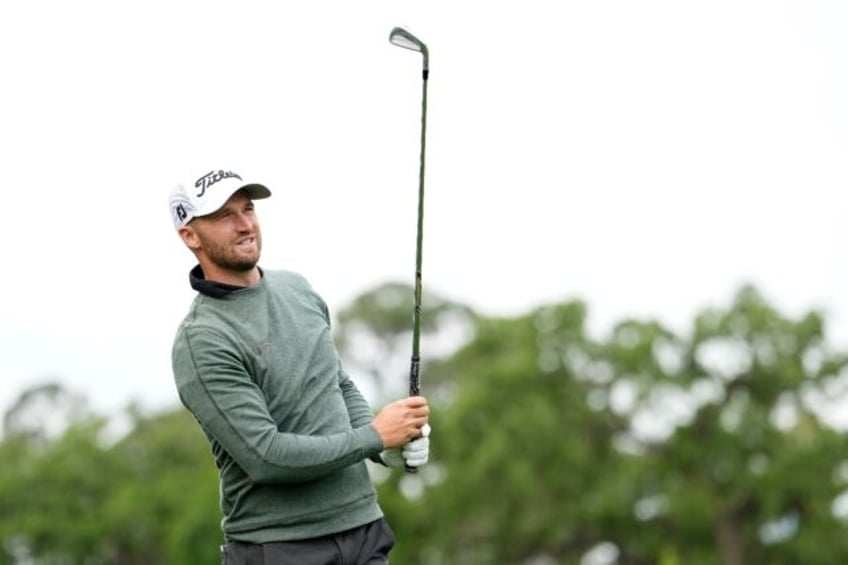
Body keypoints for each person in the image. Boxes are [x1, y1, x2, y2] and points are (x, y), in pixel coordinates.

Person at [168, 168, 431, 565]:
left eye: (248, 208)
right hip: (281, 547)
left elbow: (336, 383)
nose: (244, 225)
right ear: (190, 235)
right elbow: (266, 456)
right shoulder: (202, 339)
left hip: (363, 528)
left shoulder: (298, 288)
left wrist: (386, 450)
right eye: (224, 216)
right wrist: (374, 438)